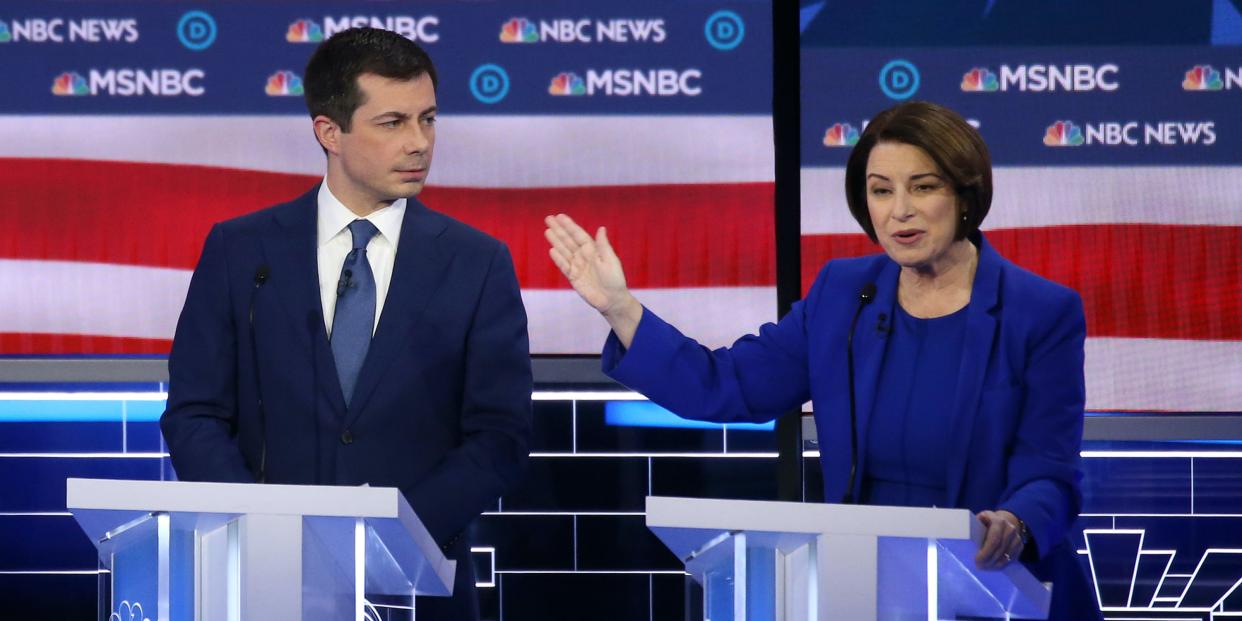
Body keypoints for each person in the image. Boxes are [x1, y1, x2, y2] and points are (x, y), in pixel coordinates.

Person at [545, 101, 1100, 619]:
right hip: (865, 591)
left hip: (1001, 591)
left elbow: (1050, 473)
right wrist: (622, 309)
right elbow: (726, 384)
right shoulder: (843, 296)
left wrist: (1017, 521)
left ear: (965, 194)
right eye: (881, 191)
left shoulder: (1039, 313)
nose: (900, 211)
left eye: (923, 187)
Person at [161, 27, 532, 619]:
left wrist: (393, 537)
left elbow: (500, 438)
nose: (419, 144)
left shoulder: (476, 262)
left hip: (416, 588)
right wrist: (257, 529)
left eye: (428, 119)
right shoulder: (242, 251)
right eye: (393, 123)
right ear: (329, 132)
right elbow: (195, 412)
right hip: (264, 581)